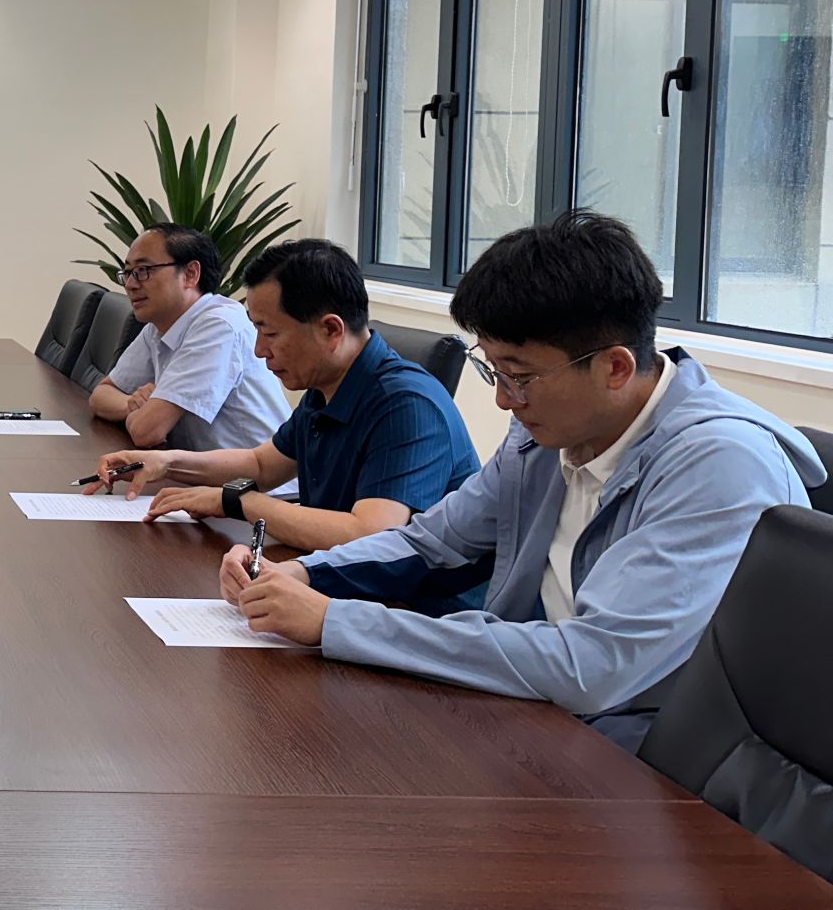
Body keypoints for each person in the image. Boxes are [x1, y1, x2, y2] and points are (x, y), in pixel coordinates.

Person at [219, 211, 824, 748]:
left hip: (644, 760)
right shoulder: (546, 437)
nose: (505, 401)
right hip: (535, 718)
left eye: (521, 377)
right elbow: (433, 541)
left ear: (615, 367)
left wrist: (336, 621)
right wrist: (303, 575)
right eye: (495, 372)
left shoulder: (719, 466)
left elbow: (592, 667)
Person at [92, 238, 477, 551]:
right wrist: (165, 462)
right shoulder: (327, 386)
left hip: (415, 609)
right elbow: (261, 465)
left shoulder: (406, 404)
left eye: (270, 333)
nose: (259, 351)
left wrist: (239, 503)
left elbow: (369, 534)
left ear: (331, 330)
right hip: (338, 580)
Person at [88, 224, 289, 451]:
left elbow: (147, 431)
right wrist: (132, 404)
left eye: (144, 270)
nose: (131, 284)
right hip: (199, 468)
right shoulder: (159, 325)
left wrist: (146, 412)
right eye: (128, 273)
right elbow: (100, 395)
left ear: (191, 274)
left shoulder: (218, 325)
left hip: (257, 473)